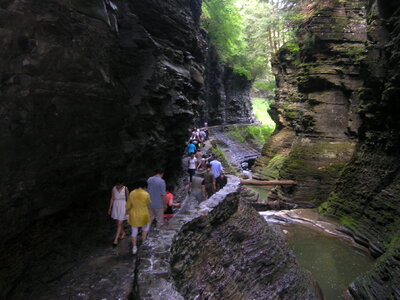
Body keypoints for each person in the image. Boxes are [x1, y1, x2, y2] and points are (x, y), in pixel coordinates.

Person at [126, 179, 151, 255]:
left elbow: (128, 205)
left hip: (134, 214)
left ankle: (134, 247)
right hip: (144, 214)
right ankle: (143, 243)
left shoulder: (132, 193)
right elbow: (148, 203)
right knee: (145, 229)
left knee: (134, 231)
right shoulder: (146, 194)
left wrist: (127, 211)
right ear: (144, 186)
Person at [108, 180, 129, 247]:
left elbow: (128, 199)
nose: (118, 186)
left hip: (123, 205)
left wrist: (128, 209)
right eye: (117, 185)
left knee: (119, 223)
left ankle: (116, 239)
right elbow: (112, 198)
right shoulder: (114, 188)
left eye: (119, 185)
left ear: (122, 184)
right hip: (116, 205)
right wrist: (110, 208)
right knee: (118, 223)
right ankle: (123, 233)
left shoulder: (125, 188)